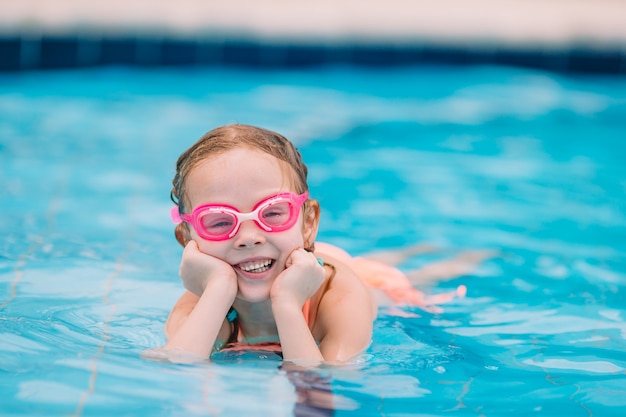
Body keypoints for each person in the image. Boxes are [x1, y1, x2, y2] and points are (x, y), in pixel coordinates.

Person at [158, 124, 476, 365]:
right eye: (219, 221)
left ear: (307, 223)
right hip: (287, 257)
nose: (249, 237)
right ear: (188, 240)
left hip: (352, 280)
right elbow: (174, 367)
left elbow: (321, 391)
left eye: (272, 212)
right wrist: (218, 289)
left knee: (421, 279)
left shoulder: (339, 301)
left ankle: (467, 256)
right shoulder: (204, 297)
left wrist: (286, 305)